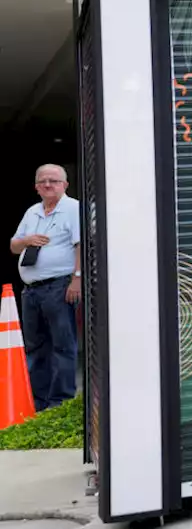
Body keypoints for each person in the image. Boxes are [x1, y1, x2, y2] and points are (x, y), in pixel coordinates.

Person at [10, 164, 80, 412]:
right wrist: (27, 240)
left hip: (59, 285)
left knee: (62, 344)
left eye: (54, 180)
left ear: (65, 184)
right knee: (36, 347)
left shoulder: (73, 208)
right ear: (36, 186)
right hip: (32, 290)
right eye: (43, 181)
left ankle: (60, 403)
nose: (48, 184)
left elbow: (80, 245)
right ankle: (38, 404)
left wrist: (77, 279)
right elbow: (14, 246)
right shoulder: (32, 212)